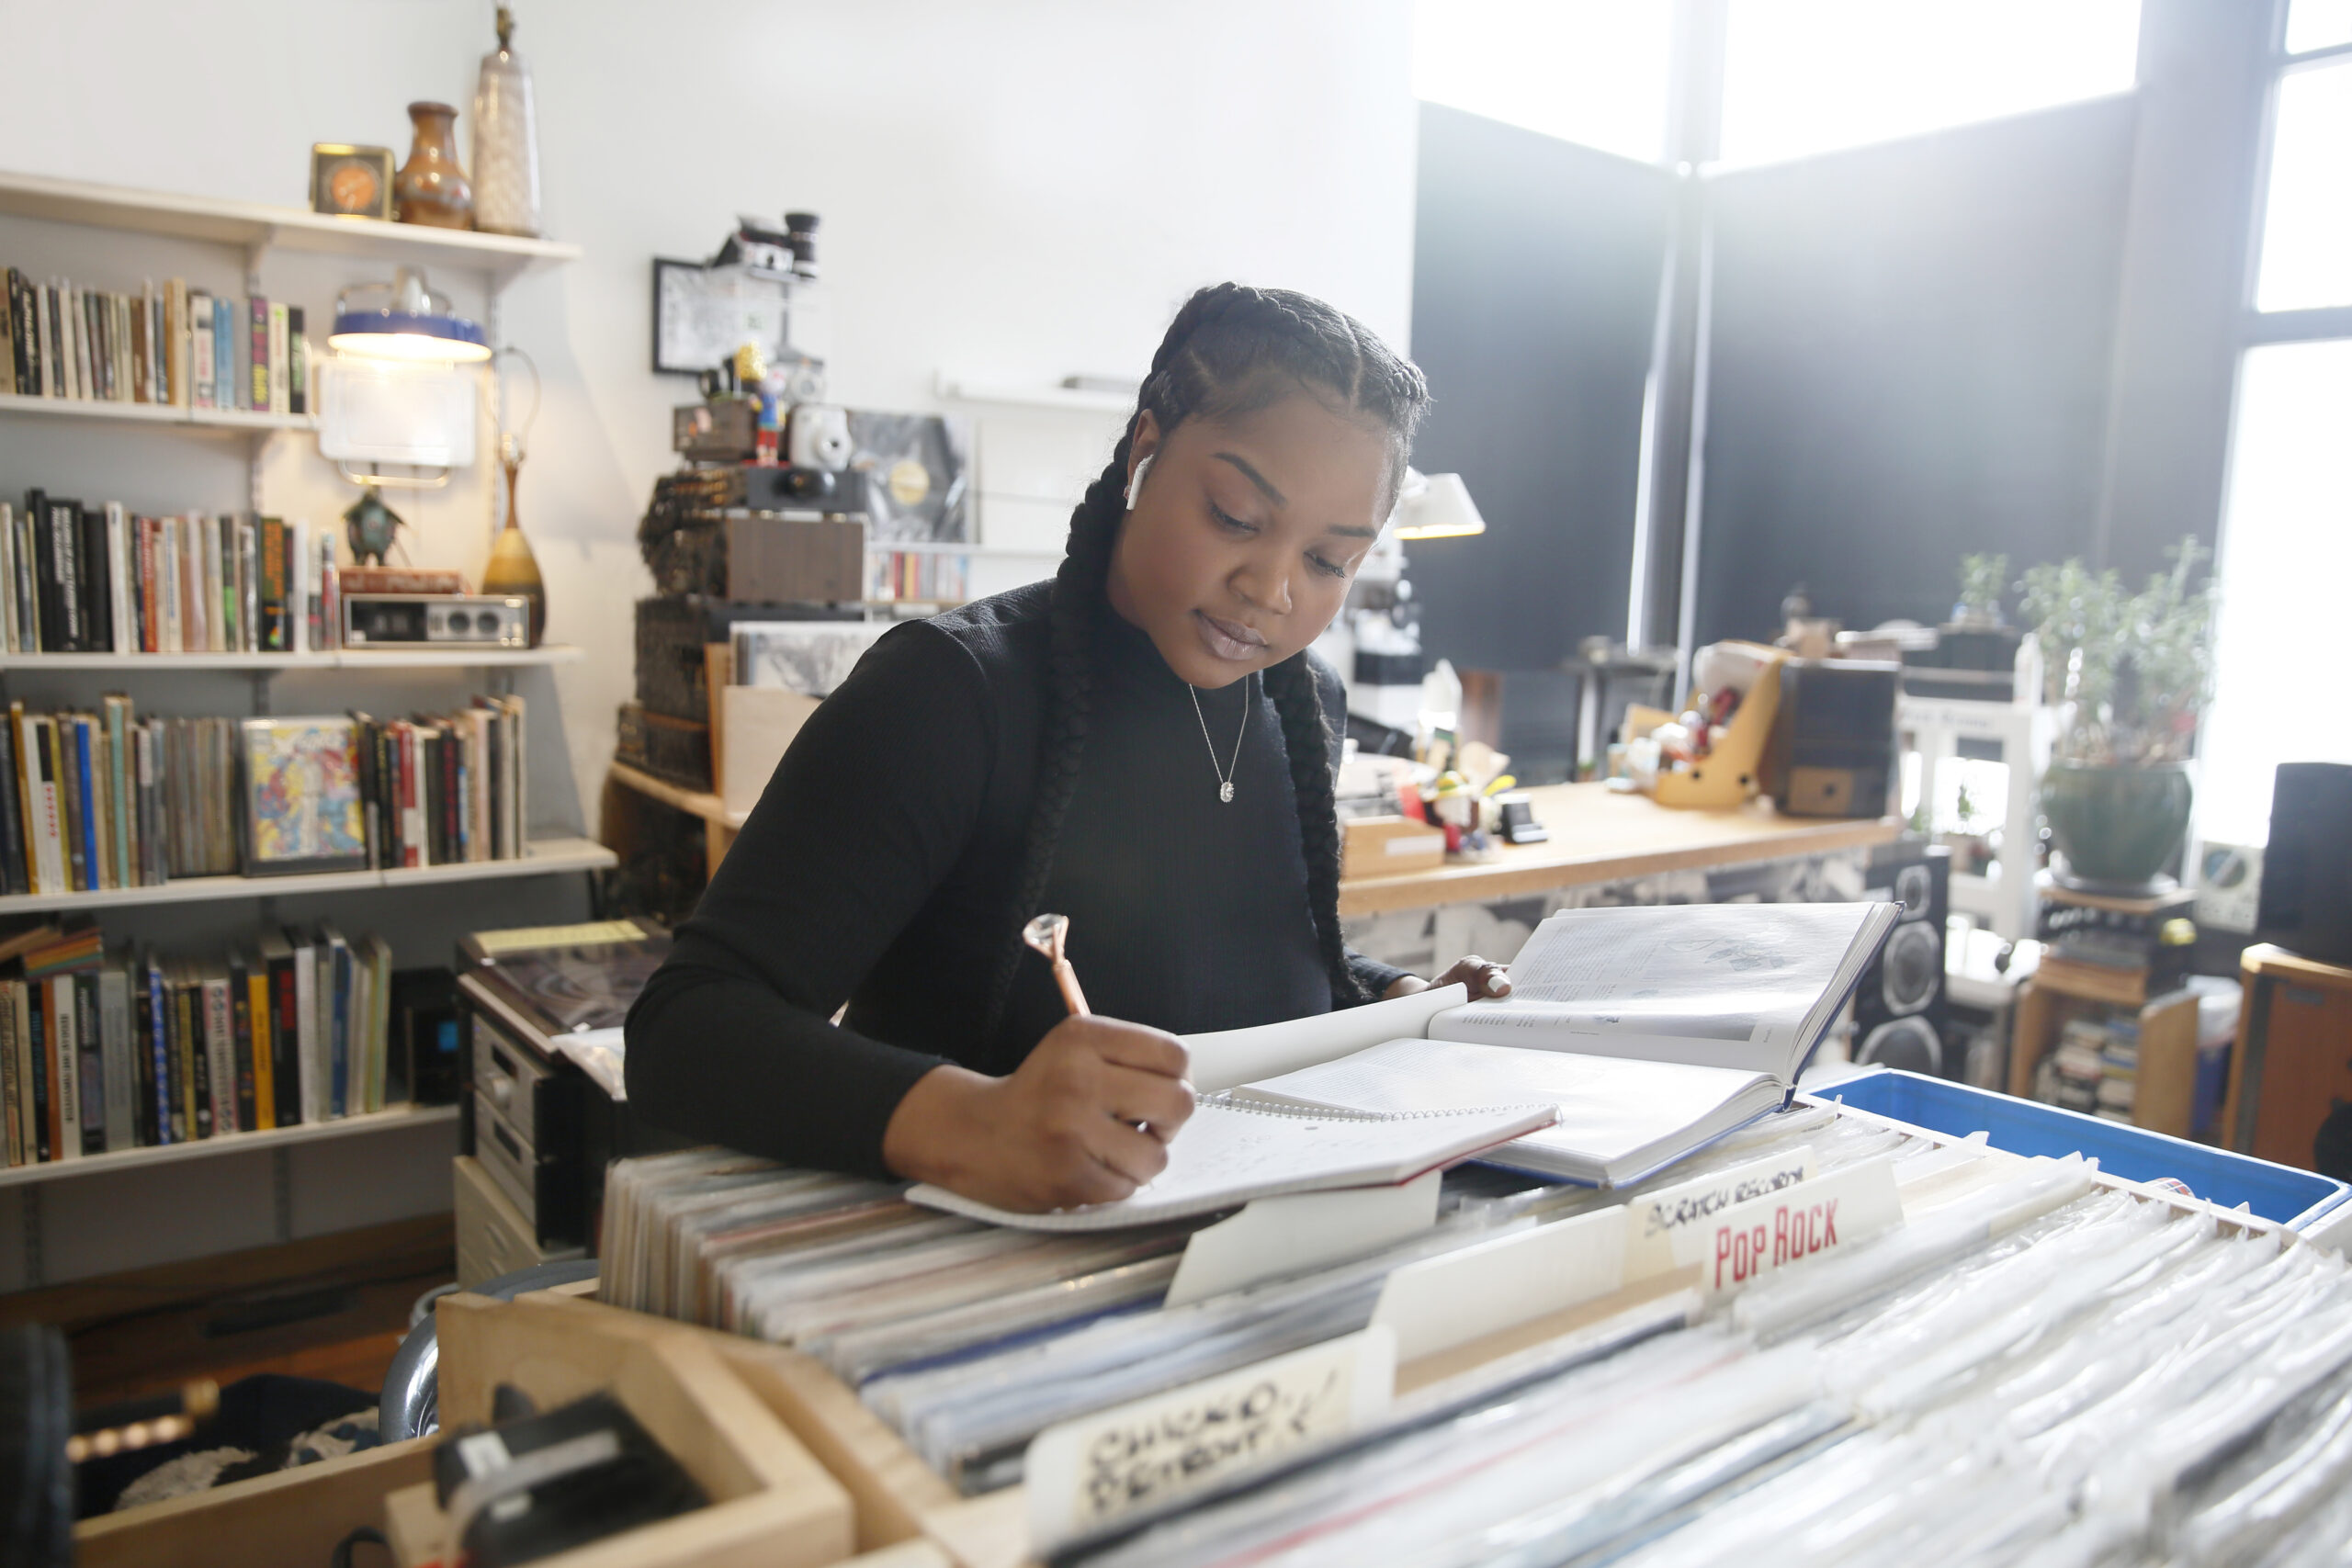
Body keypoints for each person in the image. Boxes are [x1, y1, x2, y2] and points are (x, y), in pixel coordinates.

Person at [625, 283, 1511, 1213]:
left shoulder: (1304, 704)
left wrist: (1403, 999)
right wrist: (971, 1123)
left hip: (1231, 1268)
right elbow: (687, 1032)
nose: (1274, 590)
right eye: (1236, 519)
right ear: (1144, 449)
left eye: (1330, 561)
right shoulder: (949, 693)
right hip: (982, 1272)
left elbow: (1228, 974)